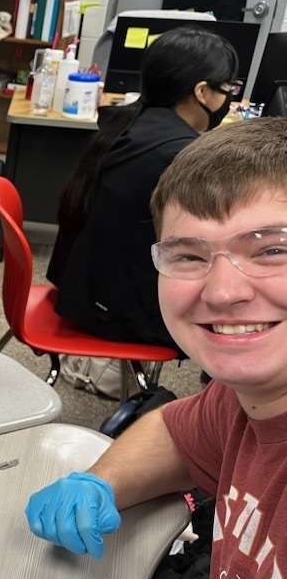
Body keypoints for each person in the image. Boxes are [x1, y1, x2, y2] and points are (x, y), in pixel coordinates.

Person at [26, 117, 287, 579]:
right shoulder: (243, 401)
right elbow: (175, 430)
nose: (222, 291)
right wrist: (99, 482)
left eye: (270, 249)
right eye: (189, 255)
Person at [47, 26, 240, 353]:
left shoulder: (129, 122)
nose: (229, 98)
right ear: (203, 92)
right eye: (227, 88)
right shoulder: (178, 156)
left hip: (83, 291)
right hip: (117, 313)